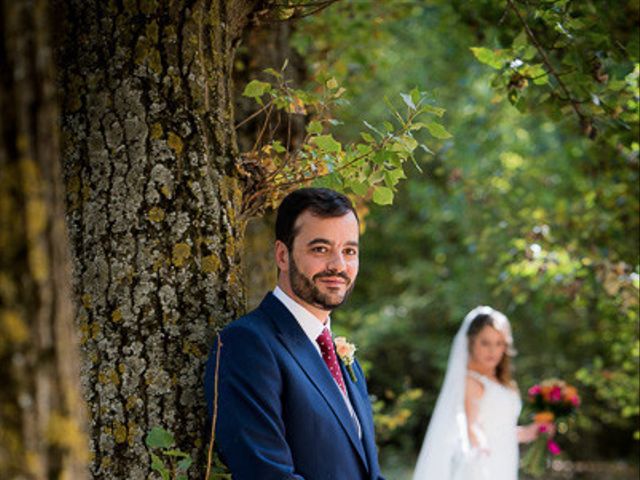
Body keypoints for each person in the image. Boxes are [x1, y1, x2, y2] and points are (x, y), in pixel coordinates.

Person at [204, 187, 385, 480]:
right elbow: (266, 474)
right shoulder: (247, 345)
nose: (338, 265)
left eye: (349, 251)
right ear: (282, 255)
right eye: (320, 249)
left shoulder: (340, 355)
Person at [412, 306, 546, 480]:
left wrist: (534, 431)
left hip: (505, 460)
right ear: (471, 342)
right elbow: (472, 424)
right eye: (485, 342)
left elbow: (504, 431)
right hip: (484, 463)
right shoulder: (471, 382)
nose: (493, 351)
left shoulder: (504, 383)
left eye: (499, 343)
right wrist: (480, 445)